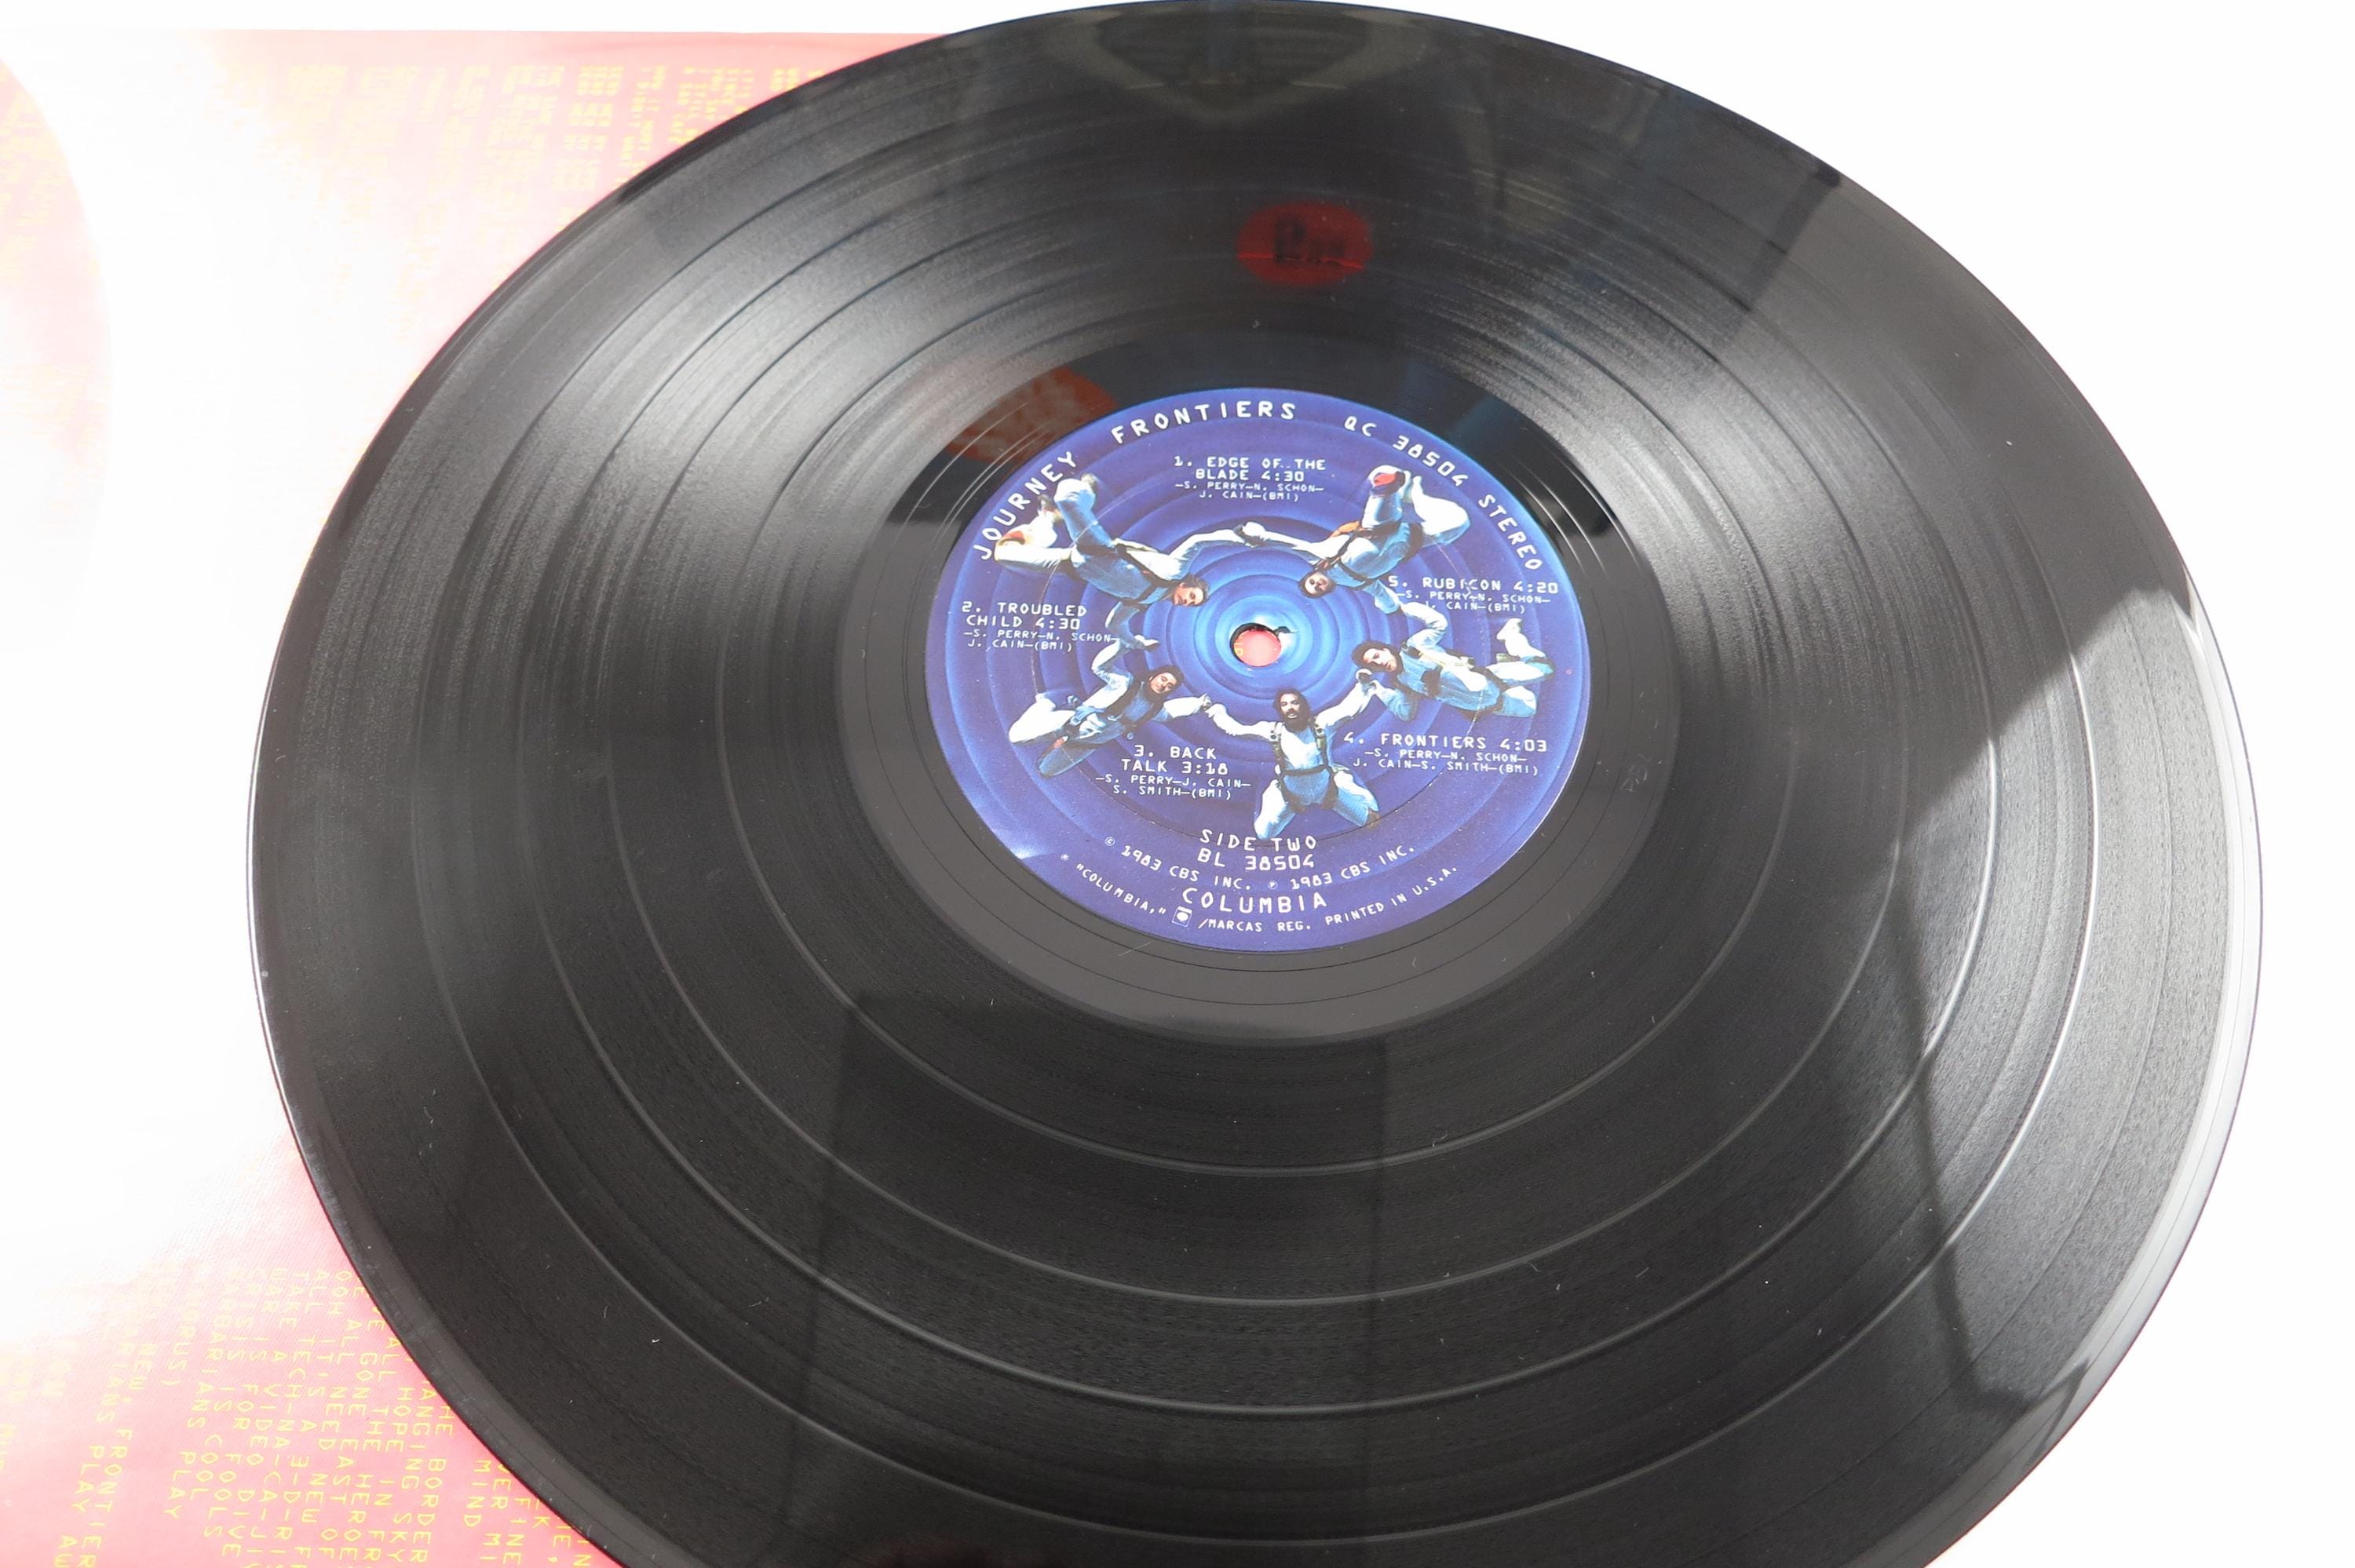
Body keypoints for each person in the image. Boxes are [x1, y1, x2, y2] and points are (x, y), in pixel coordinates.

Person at [991, 473, 1253, 647]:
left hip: (1071, 565)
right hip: (1096, 548)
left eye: (1190, 605)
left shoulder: (1142, 602)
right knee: (1067, 497)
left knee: (1004, 554)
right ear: (1187, 584)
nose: (1187, 602)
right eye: (1192, 596)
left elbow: (1115, 624)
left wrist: (1138, 643)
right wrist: (1241, 538)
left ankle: (1046, 521)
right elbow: (1198, 541)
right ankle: (1088, 489)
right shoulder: (1174, 571)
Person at [1239, 464, 1472, 613]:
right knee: (1459, 522)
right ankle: (1411, 493)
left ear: (1313, 574)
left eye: (1313, 583)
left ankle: (1391, 489)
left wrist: (1260, 536)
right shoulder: (1357, 584)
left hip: (1377, 529)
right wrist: (1391, 606)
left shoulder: (1319, 557)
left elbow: (1290, 544)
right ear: (1327, 591)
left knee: (1384, 494)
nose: (1318, 585)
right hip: (1410, 540)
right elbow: (1380, 592)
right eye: (1318, 590)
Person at [1205, 683, 1382, 839]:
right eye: (1284, 704)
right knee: (1264, 834)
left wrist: (1362, 685)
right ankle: (1275, 792)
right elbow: (1236, 730)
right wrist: (1215, 712)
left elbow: (1348, 709)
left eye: (1295, 703)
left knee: (1371, 821)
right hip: (1290, 794)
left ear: (1303, 706)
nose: (1290, 708)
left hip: (1328, 790)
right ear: (1280, 710)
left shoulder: (1322, 724)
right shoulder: (1273, 731)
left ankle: (1344, 781)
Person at [1007, 640, 1208, 776]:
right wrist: (1122, 645)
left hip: (1085, 745)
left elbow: (1170, 713)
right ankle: (1046, 705)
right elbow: (1100, 667)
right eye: (1163, 679)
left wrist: (1200, 705)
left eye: (1169, 686)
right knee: (1016, 737)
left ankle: (1051, 723)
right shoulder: (1125, 683)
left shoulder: (1152, 709)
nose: (1164, 685)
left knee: (1046, 771)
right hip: (1069, 722)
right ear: (1153, 676)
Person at [1352, 601, 1554, 719]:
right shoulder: (1402, 684)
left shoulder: (1414, 646)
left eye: (1377, 656)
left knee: (1544, 669)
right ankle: (1513, 677)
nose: (1379, 663)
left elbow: (1438, 624)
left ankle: (1510, 637)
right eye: (1373, 665)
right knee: (1531, 709)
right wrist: (1376, 689)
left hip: (1490, 679)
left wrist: (1402, 608)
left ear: (1386, 650)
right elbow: (1406, 714)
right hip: (1490, 705)